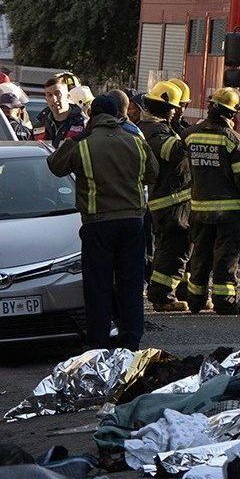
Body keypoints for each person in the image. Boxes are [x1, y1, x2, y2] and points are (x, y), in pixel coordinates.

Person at [46, 91, 152, 348]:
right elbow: (153, 174)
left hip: (98, 224)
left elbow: (55, 165)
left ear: (92, 116)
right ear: (117, 115)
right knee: (130, 283)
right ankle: (131, 339)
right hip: (132, 222)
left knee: (98, 285)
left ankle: (99, 342)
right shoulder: (135, 141)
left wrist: (77, 137)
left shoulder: (83, 144)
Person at [183, 87, 240, 315]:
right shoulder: (233, 140)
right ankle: (224, 301)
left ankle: (195, 300)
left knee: (200, 256)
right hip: (229, 214)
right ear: (233, 113)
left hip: (199, 209)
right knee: (225, 258)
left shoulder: (190, 135)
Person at [138, 81, 193, 313]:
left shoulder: (160, 127)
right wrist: (197, 133)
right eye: (174, 108)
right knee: (173, 250)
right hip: (169, 203)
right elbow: (174, 152)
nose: (176, 111)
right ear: (164, 108)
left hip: (174, 202)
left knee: (177, 249)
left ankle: (179, 292)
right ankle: (161, 296)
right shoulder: (154, 131)